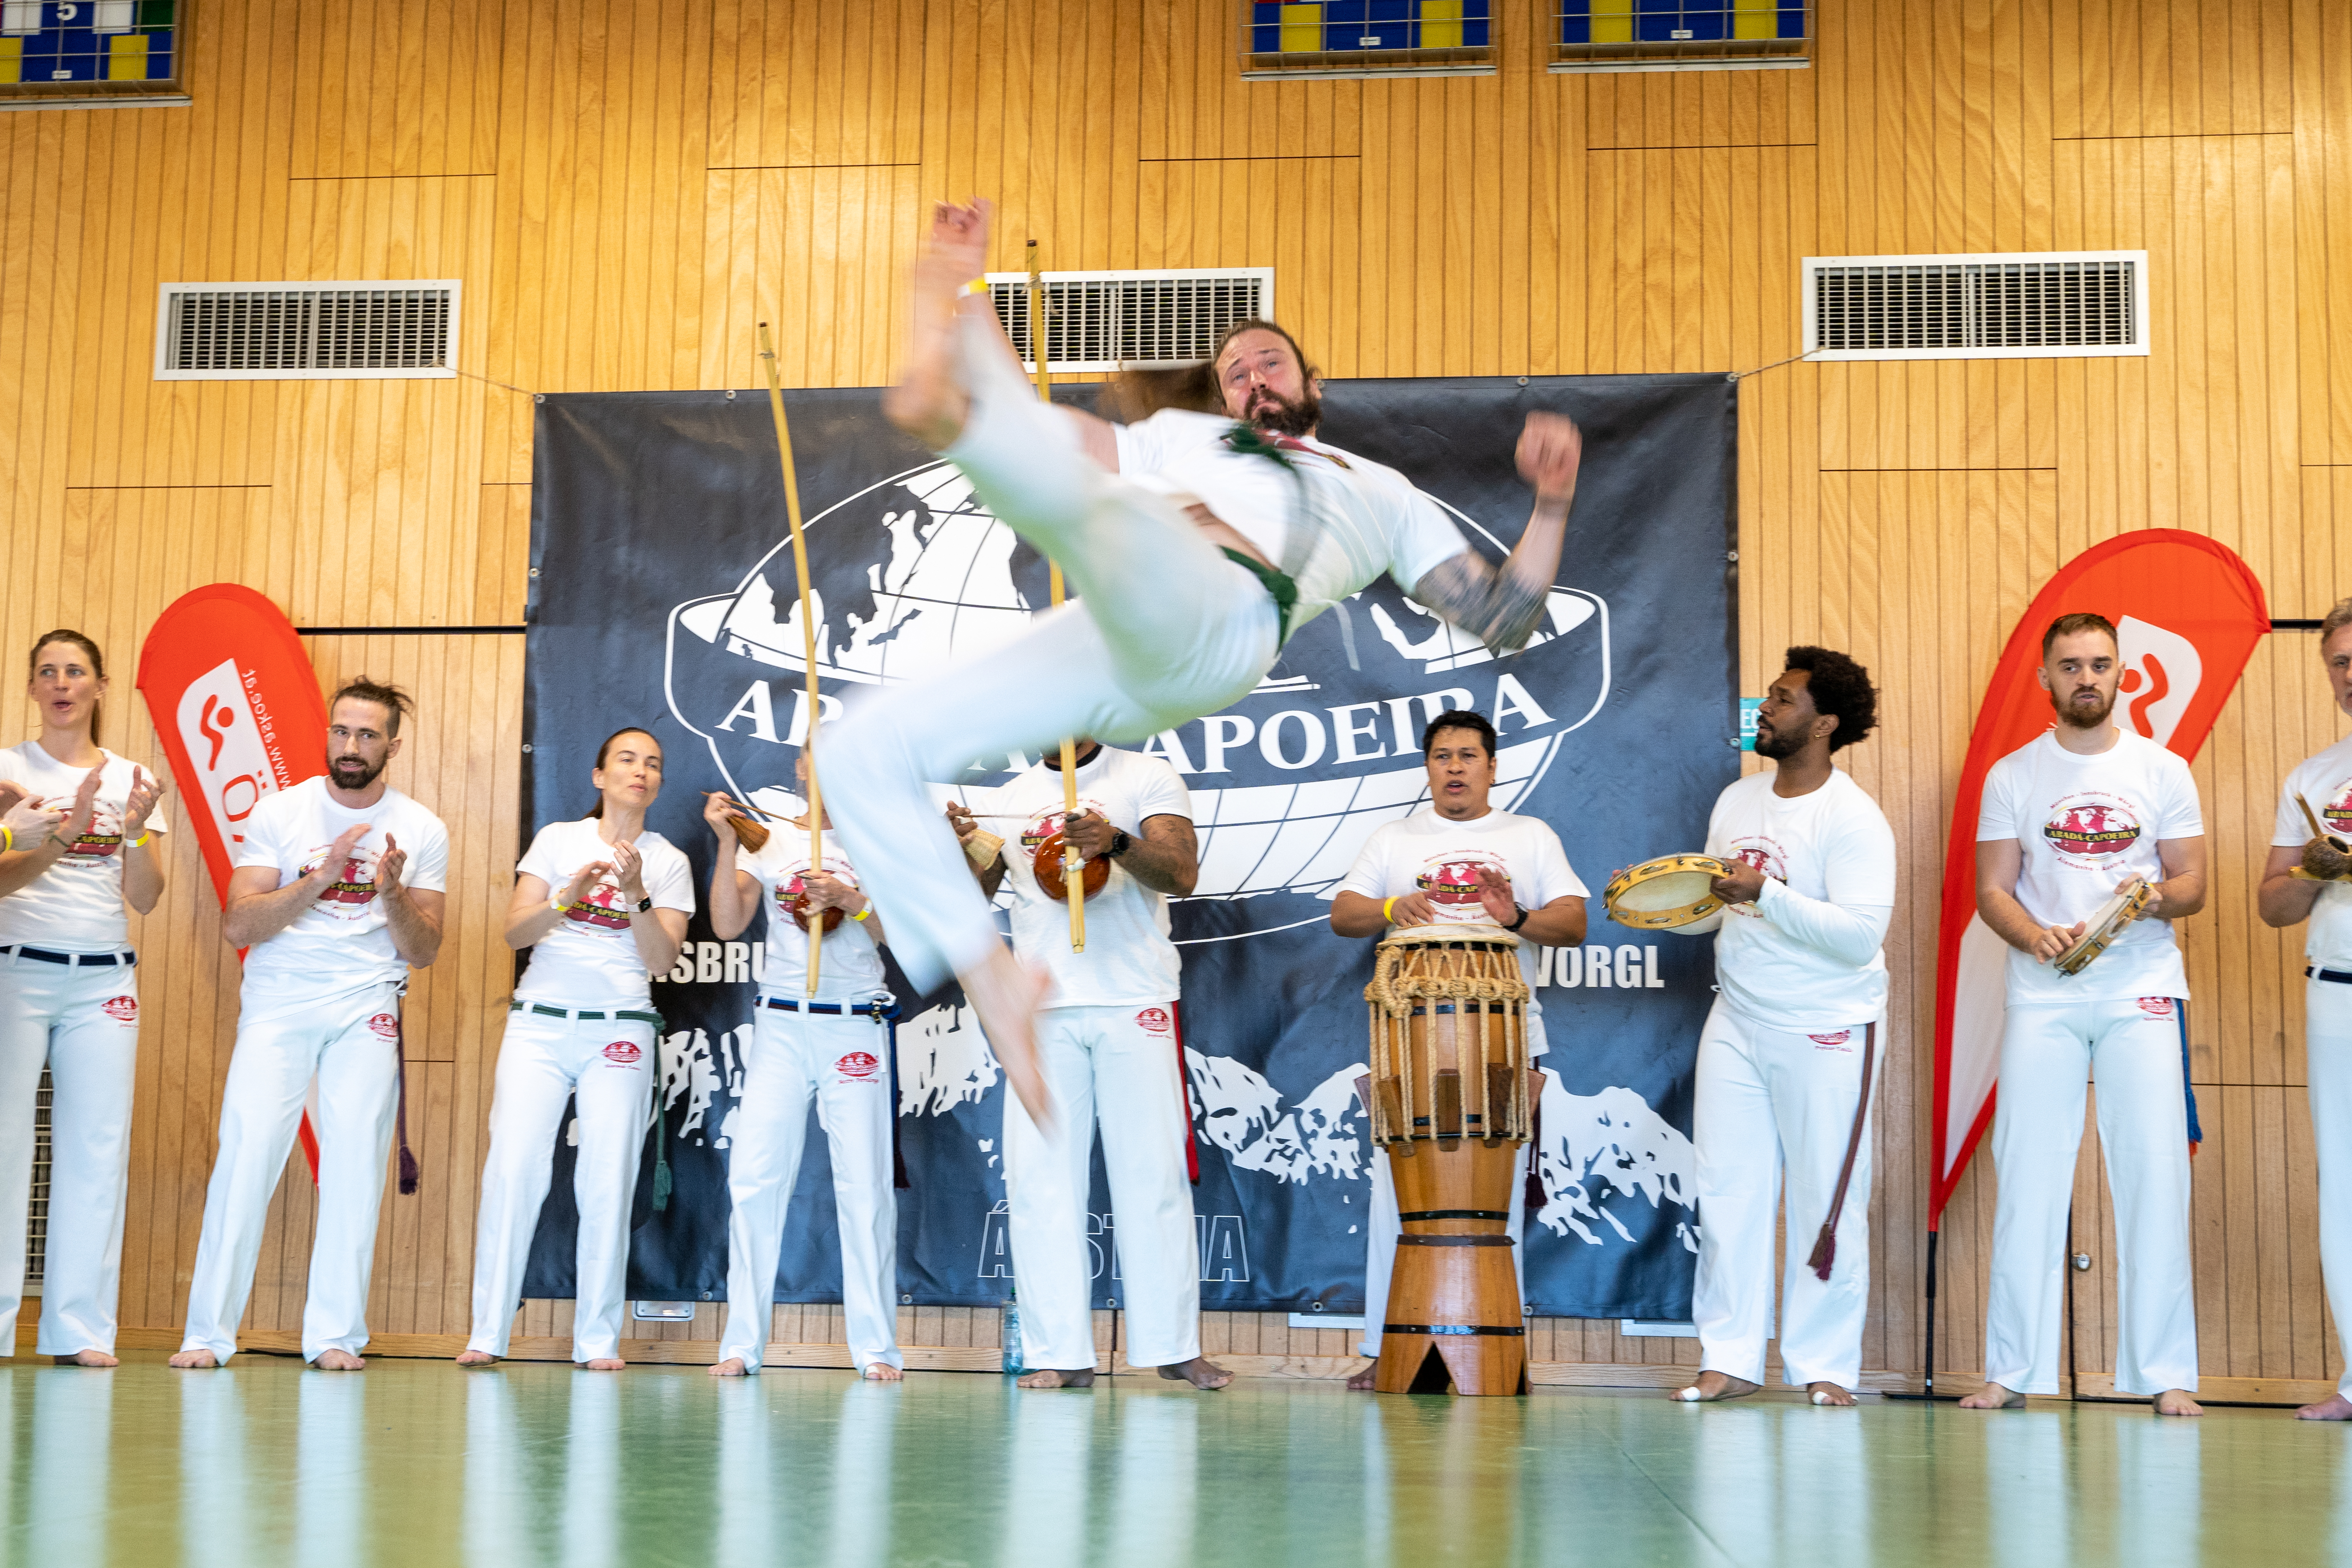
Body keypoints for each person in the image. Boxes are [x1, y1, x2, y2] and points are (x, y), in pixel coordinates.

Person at [822, 197, 1586, 1125]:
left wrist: (1550, 503)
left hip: (1224, 619)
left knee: (1125, 511)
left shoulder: (1377, 490)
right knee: (854, 750)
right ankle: (990, 974)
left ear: (1311, 380)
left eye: (1270, 360)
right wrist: (973, 296)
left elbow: (1503, 618)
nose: (1253, 376)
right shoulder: (1184, 441)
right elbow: (1061, 448)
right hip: (1119, 641)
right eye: (1234, 370)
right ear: (1221, 397)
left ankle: (950, 404)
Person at [1962, 613, 2207, 1417]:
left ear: (2121, 673)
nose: (2086, 677)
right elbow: (1992, 890)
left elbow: (2192, 882)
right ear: (2045, 677)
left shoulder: (2163, 769)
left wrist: (2143, 901)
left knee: (2154, 1174)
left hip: (2140, 990)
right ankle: (2011, 1370)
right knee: (2028, 1173)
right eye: (2070, 665)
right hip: (2044, 993)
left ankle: (2165, 1373)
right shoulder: (2011, 775)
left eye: (2100, 663)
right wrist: (2037, 936)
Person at [172, 678, 449, 1371]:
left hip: (367, 1004)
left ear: (392, 745)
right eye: (341, 731)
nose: (350, 746)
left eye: (366, 735)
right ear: (327, 733)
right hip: (280, 1002)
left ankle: (333, 1335)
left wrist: (389, 890)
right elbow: (241, 920)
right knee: (246, 1155)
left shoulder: (421, 827)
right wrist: (322, 878)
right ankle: (207, 1334)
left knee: (355, 1164)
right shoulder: (280, 812)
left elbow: (423, 949)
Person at [946, 737, 1227, 1392]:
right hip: (1041, 1007)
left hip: (1135, 998)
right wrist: (967, 851)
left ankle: (1173, 1344)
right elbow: (977, 899)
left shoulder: (1144, 775)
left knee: (1152, 1175)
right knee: (1041, 1181)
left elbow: (1181, 873)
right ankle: (1058, 1351)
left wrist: (1117, 842)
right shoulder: (1011, 800)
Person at [1662, 649, 1896, 1408]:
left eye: (1784, 699)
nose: (1766, 707)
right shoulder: (1737, 799)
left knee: (1826, 1197)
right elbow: (1718, 903)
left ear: (1824, 724)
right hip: (1736, 1015)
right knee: (1726, 1189)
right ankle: (1727, 1357)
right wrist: (1663, 901)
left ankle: (1823, 1365)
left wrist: (1766, 893)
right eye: (1769, 695)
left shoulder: (1853, 818)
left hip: (1826, 1026)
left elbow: (1858, 936)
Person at [1328, 709, 1588, 1390]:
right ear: (1426, 767)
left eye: (1467, 755)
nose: (1453, 767)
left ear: (1492, 766)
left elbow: (1574, 921)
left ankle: (1500, 1351)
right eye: (1441, 755)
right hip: (1412, 1048)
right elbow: (1342, 913)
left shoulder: (1528, 836)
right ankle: (1387, 1348)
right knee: (1398, 1198)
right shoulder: (1394, 838)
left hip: (1504, 1046)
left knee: (1493, 1204)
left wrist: (1517, 918)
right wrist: (1392, 909)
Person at [457, 727, 692, 1372]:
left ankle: (596, 1342)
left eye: (652, 764)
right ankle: (487, 1332)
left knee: (608, 1179)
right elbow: (515, 931)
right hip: (539, 1022)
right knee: (512, 1169)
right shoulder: (559, 839)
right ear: (598, 775)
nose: (639, 771)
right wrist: (571, 893)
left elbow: (661, 958)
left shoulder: (668, 858)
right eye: (626, 759)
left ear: (658, 783)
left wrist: (637, 890)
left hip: (620, 1026)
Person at [707, 750, 906, 1382]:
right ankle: (741, 1342)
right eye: (820, 758)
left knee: (864, 1185)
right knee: (755, 1178)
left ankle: (876, 1348)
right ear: (800, 767)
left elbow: (902, 936)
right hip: (782, 1023)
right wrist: (723, 844)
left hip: (854, 1021)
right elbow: (727, 920)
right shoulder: (768, 838)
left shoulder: (877, 839)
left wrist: (853, 899)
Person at [0, 630, 169, 1366]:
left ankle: (80, 1330)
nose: (62, 682)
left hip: (104, 978)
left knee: (96, 1151)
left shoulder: (134, 777)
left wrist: (131, 836)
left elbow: (148, 897)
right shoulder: (7, 769)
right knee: (6, 1149)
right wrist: (57, 838)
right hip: (17, 971)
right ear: (33, 688)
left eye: (76, 671)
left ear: (101, 685)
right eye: (48, 672)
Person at [2257, 597, 2352, 1420]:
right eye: (2339, 661)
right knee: (2345, 1189)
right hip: (2337, 996)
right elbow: (2272, 905)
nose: (2351, 675)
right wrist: (2317, 868)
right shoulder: (2312, 777)